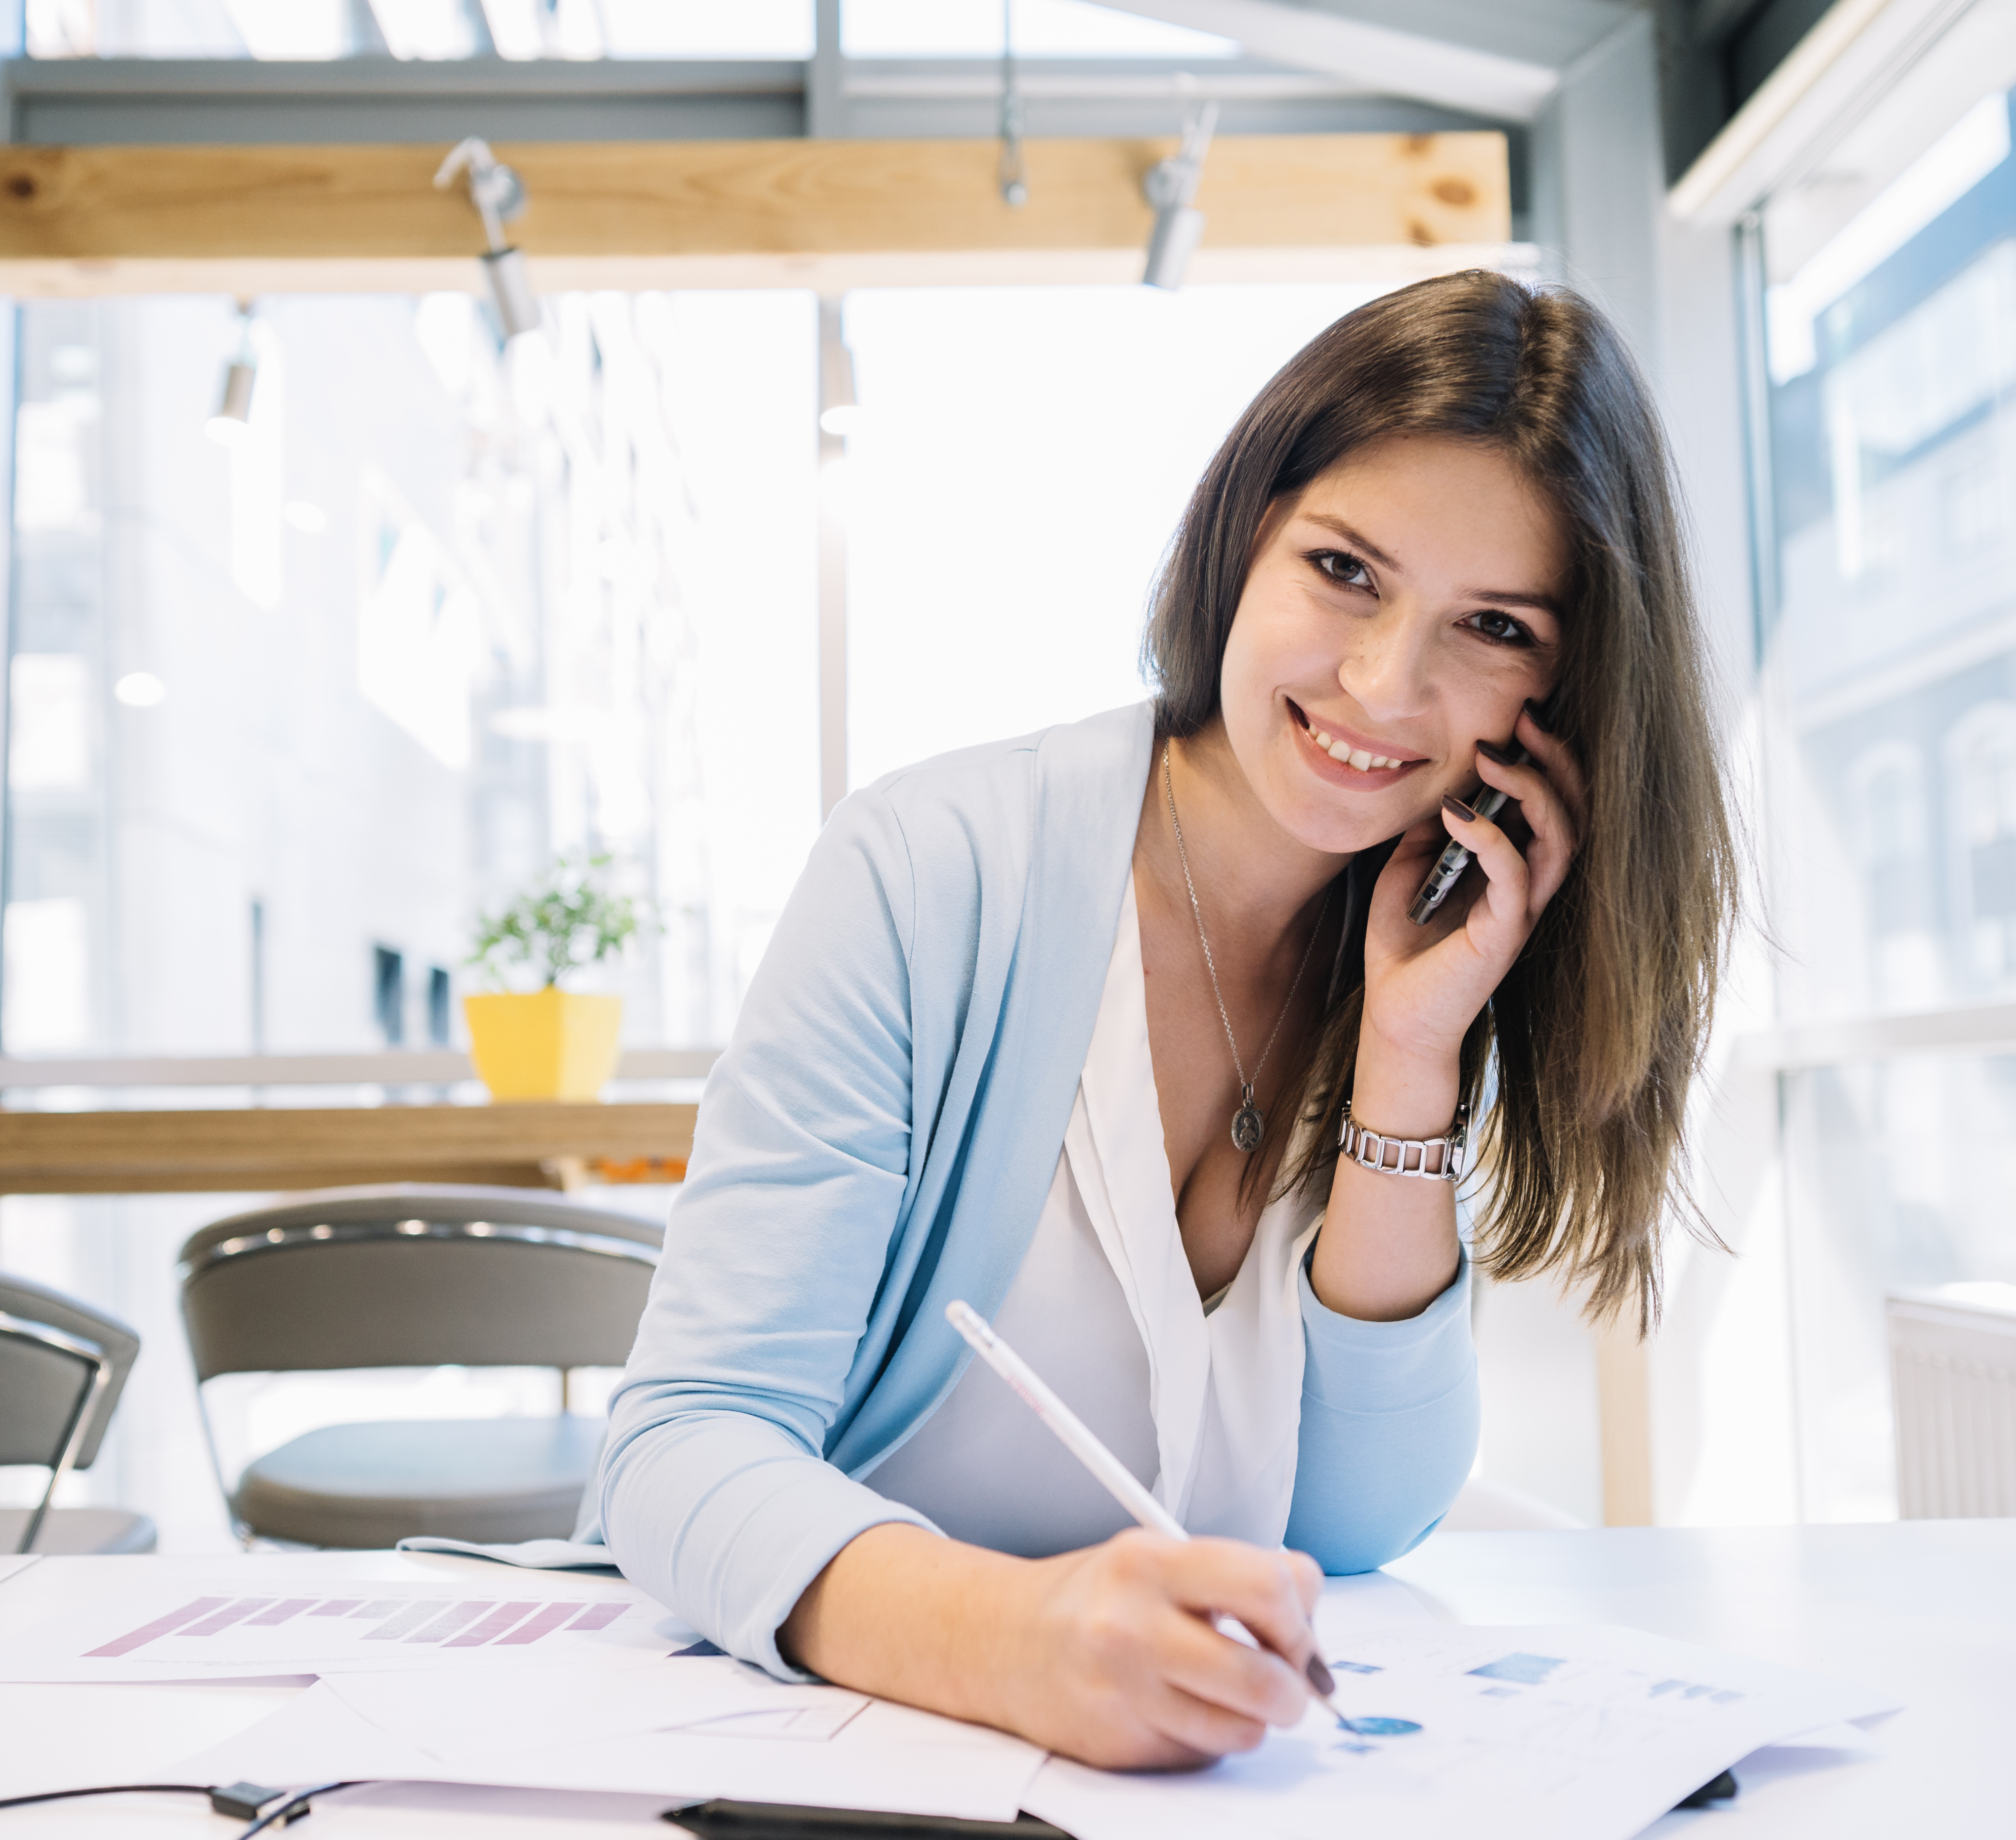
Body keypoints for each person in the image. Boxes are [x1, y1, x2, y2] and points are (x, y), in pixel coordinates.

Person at [588, 269, 1738, 1770]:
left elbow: (1359, 1517)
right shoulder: (928, 868)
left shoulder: (1426, 938)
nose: (1385, 685)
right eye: (1343, 572)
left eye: (1494, 626)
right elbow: (681, 1450)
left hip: (1189, 1779)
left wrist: (1407, 1060)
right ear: (1242, 537)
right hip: (835, 1750)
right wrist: (1020, 1643)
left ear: (1569, 689)